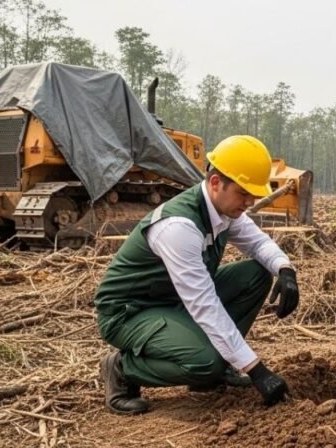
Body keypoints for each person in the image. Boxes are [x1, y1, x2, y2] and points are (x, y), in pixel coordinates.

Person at [94, 135, 300, 414]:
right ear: (216, 183)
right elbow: (204, 305)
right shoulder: (178, 227)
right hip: (131, 311)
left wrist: (285, 269)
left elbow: (258, 243)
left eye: (254, 194)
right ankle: (122, 368)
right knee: (204, 363)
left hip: (172, 301)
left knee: (257, 273)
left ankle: (219, 367)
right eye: (243, 193)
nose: (250, 202)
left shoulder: (225, 210)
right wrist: (256, 370)